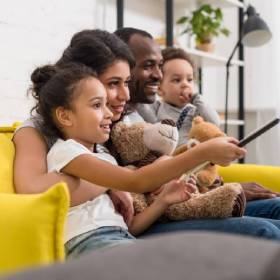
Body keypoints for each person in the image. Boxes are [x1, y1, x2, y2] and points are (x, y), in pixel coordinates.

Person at [12, 28, 280, 251]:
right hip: (123, 232)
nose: (125, 95)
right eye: (113, 83)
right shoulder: (40, 130)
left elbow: (149, 171)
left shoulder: (116, 120)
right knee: (263, 232)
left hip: (142, 219)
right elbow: (34, 192)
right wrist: (112, 179)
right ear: (83, 81)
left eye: (127, 82)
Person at [30, 63, 200, 256]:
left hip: (119, 238)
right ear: (65, 116)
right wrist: (200, 154)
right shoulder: (67, 152)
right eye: (96, 105)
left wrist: (164, 200)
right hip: (89, 241)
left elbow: (129, 226)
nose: (109, 113)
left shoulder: (104, 157)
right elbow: (135, 181)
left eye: (105, 104)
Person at [114, 27, 280, 224]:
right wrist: (207, 158)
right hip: (171, 210)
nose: (158, 75)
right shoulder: (117, 121)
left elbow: (209, 124)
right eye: (148, 65)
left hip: (194, 193)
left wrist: (220, 186)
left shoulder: (141, 113)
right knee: (268, 230)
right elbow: (142, 179)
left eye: (159, 66)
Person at [138, 46, 220, 147]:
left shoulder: (194, 111)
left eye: (189, 80)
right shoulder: (157, 108)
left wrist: (195, 97)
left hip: (190, 155)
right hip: (168, 159)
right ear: (159, 89)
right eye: (177, 80)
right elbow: (140, 105)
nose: (185, 84)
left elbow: (214, 123)